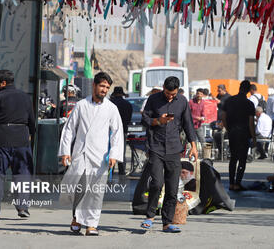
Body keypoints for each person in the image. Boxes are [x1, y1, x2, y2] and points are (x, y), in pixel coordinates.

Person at [58, 72, 124, 236]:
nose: (104, 90)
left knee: (96, 192)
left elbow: (117, 133)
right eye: (102, 86)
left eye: (107, 88)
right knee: (79, 189)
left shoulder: (111, 108)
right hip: (81, 154)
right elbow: (69, 129)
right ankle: (76, 219)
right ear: (94, 85)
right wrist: (65, 151)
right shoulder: (81, 105)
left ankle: (92, 225)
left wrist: (114, 154)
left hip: (100, 156)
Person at [140, 76, 198, 233]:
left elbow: (188, 124)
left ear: (177, 90)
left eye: (173, 94)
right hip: (156, 147)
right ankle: (150, 216)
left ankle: (167, 223)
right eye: (167, 93)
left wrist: (193, 146)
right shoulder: (153, 99)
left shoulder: (183, 101)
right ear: (163, 87)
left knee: (172, 188)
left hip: (174, 149)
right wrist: (158, 121)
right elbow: (144, 119)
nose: (170, 97)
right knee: (157, 183)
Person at [0, 70, 36, 221]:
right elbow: (32, 122)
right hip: (22, 139)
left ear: (3, 83)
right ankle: (23, 207)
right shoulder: (25, 98)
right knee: (22, 173)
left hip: (0, 140)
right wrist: (29, 134)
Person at [222, 80, 256, 191]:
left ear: (240, 87)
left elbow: (223, 117)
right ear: (248, 90)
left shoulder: (229, 100)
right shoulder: (249, 104)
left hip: (232, 132)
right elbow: (251, 123)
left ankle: (231, 183)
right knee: (242, 159)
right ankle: (237, 183)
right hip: (244, 134)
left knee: (233, 158)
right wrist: (254, 137)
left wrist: (228, 129)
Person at [110, 86, 133, 179]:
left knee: (109, 150)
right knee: (121, 150)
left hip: (109, 131)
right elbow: (129, 118)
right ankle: (122, 171)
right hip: (123, 130)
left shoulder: (110, 103)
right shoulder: (127, 104)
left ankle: (109, 170)